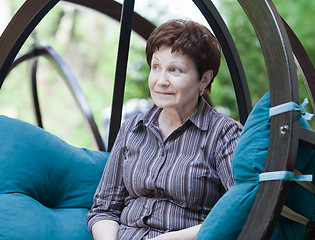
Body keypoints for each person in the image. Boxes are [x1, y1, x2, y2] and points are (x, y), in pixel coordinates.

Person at [86, 19, 243, 240]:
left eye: (175, 70)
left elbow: (238, 213)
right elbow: (104, 208)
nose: (161, 81)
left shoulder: (224, 134)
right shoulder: (132, 129)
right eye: (156, 67)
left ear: (204, 79)